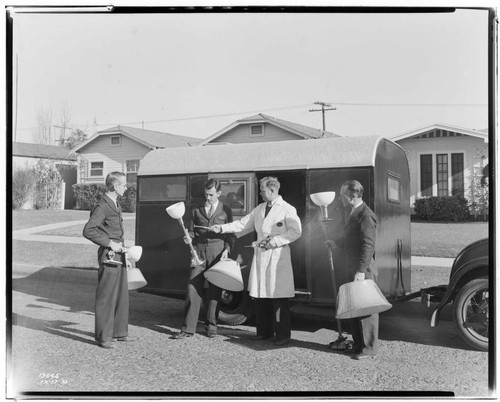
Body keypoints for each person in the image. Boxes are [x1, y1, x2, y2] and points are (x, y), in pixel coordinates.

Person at [210, 176, 302, 346]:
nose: (260, 192)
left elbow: (296, 232)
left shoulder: (287, 209)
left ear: (272, 190)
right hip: (261, 257)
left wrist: (276, 241)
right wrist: (221, 228)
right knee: (260, 296)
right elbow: (242, 224)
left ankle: (282, 336)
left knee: (278, 297)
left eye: (262, 190)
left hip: (277, 258)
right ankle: (263, 332)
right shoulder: (259, 209)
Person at [172, 179, 236, 339]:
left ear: (219, 193)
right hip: (198, 253)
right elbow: (192, 232)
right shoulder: (196, 210)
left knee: (215, 291)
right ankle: (187, 329)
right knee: (192, 289)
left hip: (217, 252)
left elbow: (231, 234)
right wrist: (188, 238)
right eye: (206, 194)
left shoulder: (226, 210)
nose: (208, 198)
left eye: (211, 195)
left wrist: (227, 249)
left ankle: (211, 327)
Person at [325, 180, 378, 360]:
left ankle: (369, 349)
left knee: (365, 309)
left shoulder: (366, 215)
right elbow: (352, 240)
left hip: (362, 269)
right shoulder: (354, 213)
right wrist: (336, 244)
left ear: (353, 196)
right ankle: (358, 345)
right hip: (353, 267)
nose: (340, 197)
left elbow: (368, 245)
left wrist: (361, 270)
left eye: (342, 194)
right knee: (355, 308)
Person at [83, 171, 132, 349]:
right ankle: (104, 337)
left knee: (120, 295)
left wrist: (125, 254)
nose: (126, 188)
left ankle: (119, 332)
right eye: (124, 185)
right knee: (106, 296)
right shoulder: (102, 206)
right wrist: (110, 244)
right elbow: (89, 230)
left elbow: (117, 232)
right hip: (109, 255)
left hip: (119, 255)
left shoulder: (115, 203)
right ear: (115, 186)